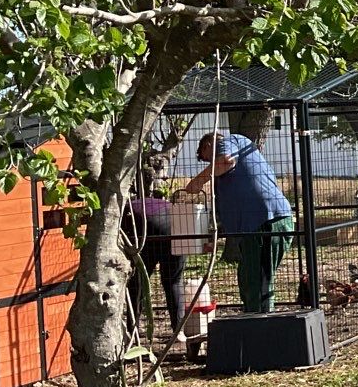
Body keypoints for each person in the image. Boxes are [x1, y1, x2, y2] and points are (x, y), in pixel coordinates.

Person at [174, 130, 294, 313]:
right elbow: (226, 209)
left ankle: (260, 321)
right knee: (249, 277)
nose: (210, 163)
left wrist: (198, 181)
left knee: (257, 280)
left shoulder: (231, 140)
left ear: (208, 145)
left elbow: (225, 161)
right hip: (256, 224)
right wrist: (212, 237)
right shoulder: (228, 173)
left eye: (207, 158)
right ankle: (254, 316)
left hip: (265, 220)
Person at [124, 172, 187, 343]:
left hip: (151, 229)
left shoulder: (124, 211)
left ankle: (132, 330)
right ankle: (179, 331)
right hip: (177, 227)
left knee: (138, 283)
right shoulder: (151, 203)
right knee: (174, 281)